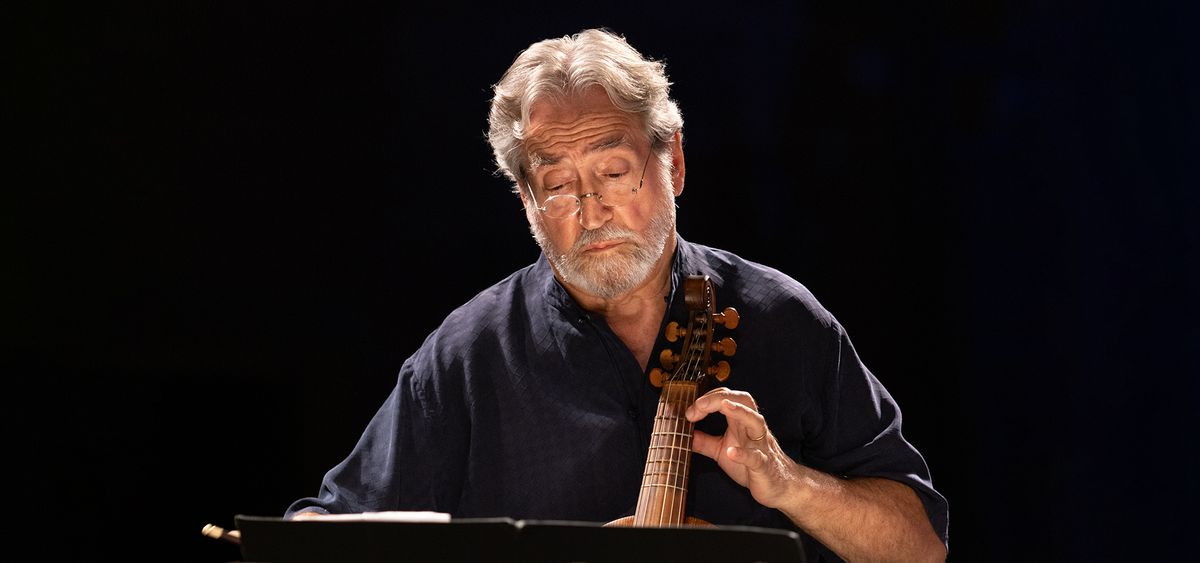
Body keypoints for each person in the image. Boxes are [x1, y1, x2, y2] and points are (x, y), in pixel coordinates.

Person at [287, 29, 948, 561]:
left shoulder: (783, 321)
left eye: (613, 172)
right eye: (556, 185)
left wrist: (790, 483)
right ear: (526, 202)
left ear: (674, 162)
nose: (591, 210)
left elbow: (920, 547)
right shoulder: (469, 354)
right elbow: (332, 526)